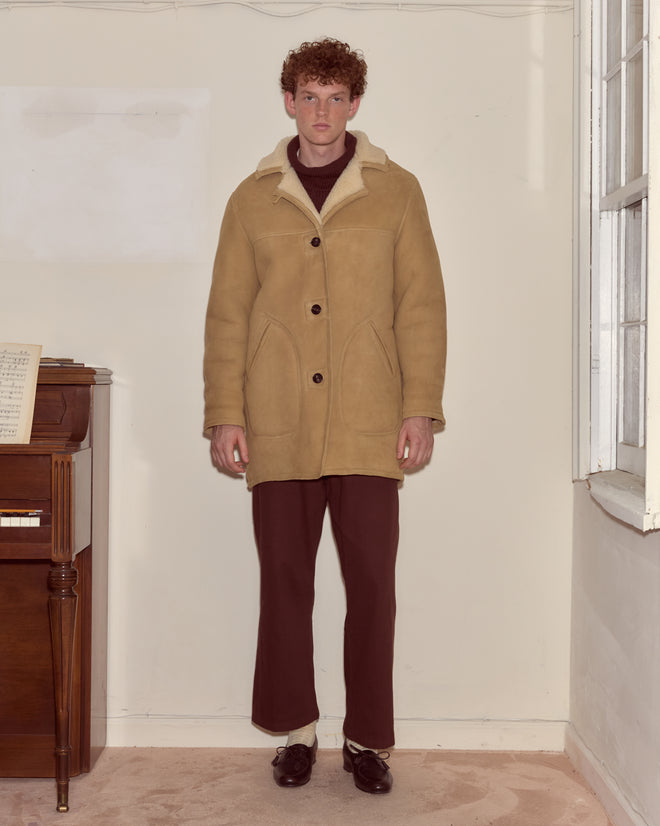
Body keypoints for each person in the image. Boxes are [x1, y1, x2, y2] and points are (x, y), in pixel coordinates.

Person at [203, 37, 446, 794]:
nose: (322, 112)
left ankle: (367, 740)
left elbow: (423, 308)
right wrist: (224, 413)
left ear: (355, 104)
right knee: (284, 580)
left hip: (371, 421)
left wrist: (420, 409)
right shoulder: (250, 199)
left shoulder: (397, 191)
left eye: (337, 97)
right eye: (309, 96)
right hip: (275, 419)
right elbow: (227, 317)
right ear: (288, 101)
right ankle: (298, 732)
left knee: (372, 583)